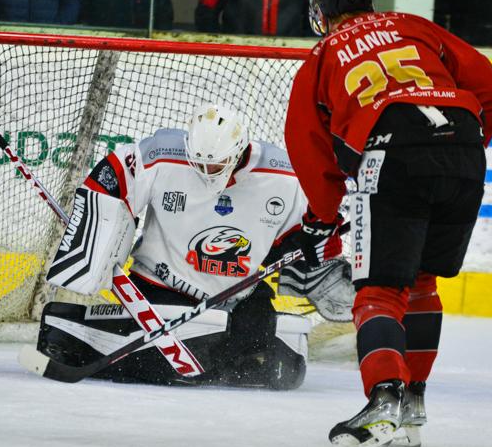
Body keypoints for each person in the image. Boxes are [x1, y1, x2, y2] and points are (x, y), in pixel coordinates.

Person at [285, 0, 492, 447]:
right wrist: (458, 149)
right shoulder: (412, 25)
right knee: (422, 281)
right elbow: (488, 88)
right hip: (463, 148)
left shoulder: (322, 55)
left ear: (321, 12)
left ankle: (385, 399)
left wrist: (323, 218)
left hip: (393, 147)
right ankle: (413, 405)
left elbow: (307, 146)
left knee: (379, 293)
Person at [40, 105, 354, 390]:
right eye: (200, 163)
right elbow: (112, 177)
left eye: (217, 164)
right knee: (167, 367)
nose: (207, 171)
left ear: (238, 151)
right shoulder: (162, 155)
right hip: (160, 287)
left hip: (238, 296)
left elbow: (313, 227)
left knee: (284, 373)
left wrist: (315, 251)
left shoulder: (283, 175)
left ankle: (208, 350)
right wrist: (96, 242)